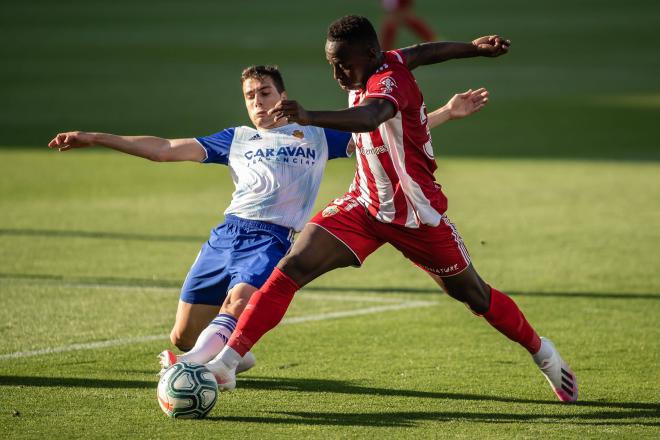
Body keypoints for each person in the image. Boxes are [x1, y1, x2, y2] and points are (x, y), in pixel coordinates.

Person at [205, 16, 578, 404]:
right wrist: (471, 47)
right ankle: (226, 363)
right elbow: (422, 52)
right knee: (291, 268)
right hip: (363, 205)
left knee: (475, 296)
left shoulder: (388, 83)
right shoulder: (383, 61)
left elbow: (369, 118)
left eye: (344, 64)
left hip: (417, 217)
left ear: (369, 55)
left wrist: (309, 116)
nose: (336, 73)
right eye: (331, 64)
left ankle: (544, 353)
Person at [47, 64, 490, 375]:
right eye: (250, 96)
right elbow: (163, 148)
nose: (258, 102)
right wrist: (93, 137)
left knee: (237, 303)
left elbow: (391, 137)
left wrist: (448, 112)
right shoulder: (234, 139)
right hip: (225, 236)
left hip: (271, 239)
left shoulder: (317, 134)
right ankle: (222, 353)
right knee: (183, 334)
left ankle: (192, 372)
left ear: (281, 95)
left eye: (265, 93)